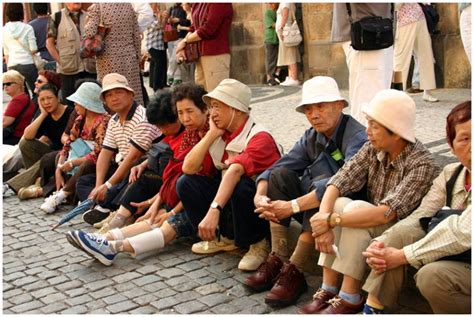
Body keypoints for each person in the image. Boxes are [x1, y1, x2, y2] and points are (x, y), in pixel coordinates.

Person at [299, 89, 438, 314]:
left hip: (399, 231)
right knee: (338, 202)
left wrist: (332, 220)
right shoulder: (373, 147)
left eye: (374, 126)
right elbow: (338, 181)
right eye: (368, 124)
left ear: (395, 132)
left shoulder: (422, 164)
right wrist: (324, 223)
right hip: (372, 222)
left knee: (353, 210)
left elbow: (387, 213)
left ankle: (349, 295)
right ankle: (330, 288)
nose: (367, 131)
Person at [246, 76, 367, 307]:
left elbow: (345, 182)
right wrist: (260, 194)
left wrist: (292, 206)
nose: (314, 114)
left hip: (349, 203)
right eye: (308, 109)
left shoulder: (356, 136)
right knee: (279, 177)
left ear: (340, 105)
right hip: (317, 200)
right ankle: (279, 258)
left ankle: (296, 268)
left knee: (321, 181)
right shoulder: (312, 135)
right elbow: (282, 165)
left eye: (320, 106)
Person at [66, 85, 214, 266]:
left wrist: (169, 208)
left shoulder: (205, 133)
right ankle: (106, 237)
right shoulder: (192, 132)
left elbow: (193, 177)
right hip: (177, 192)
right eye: (181, 113)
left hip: (198, 198)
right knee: (154, 214)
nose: (185, 118)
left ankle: (112, 245)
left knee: (167, 221)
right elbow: (176, 172)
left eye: (189, 111)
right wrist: (157, 201)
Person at [362, 101, 471, 314]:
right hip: (460, 258)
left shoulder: (421, 162)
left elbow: (462, 232)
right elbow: (423, 213)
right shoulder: (452, 173)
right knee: (403, 231)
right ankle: (374, 307)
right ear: (451, 145)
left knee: (431, 276)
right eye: (465, 139)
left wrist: (402, 255)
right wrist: (381, 244)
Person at [176, 79, 281, 271]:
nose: (212, 113)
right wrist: (211, 135)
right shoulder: (221, 133)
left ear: (237, 110)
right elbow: (188, 168)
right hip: (232, 200)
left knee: (239, 184)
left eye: (217, 107)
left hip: (260, 203)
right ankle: (225, 238)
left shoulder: (259, 136)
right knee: (186, 183)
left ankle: (258, 244)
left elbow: (235, 170)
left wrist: (214, 210)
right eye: (211, 107)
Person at [75, 73, 161, 225]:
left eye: (119, 92)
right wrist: (99, 185)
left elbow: (132, 158)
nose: (114, 98)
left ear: (130, 94)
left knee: (130, 176)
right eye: (109, 95)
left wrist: (107, 186)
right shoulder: (114, 120)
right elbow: (105, 153)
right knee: (83, 181)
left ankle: (107, 206)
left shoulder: (142, 118)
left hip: (143, 168)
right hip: (122, 167)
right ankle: (104, 205)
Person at [39, 82, 110, 213]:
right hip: (80, 154)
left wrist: (72, 163)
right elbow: (68, 143)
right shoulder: (80, 119)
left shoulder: (103, 122)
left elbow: (98, 153)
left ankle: (62, 194)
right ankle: (63, 192)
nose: (75, 106)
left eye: (78, 103)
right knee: (57, 159)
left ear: (87, 104)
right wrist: (59, 168)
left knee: (86, 164)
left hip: (97, 160)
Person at [6, 84, 74, 199]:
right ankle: (35, 179)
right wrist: (42, 114)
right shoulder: (46, 115)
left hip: (67, 153)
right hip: (52, 153)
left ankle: (10, 186)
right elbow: (27, 136)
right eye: (42, 99)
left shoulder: (70, 112)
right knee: (25, 144)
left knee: (47, 157)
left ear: (57, 98)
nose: (46, 102)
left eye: (49, 98)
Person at [331, 3, 393, 126]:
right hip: (370, 33)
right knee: (372, 95)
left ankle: (366, 140)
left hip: (366, 34)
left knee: (366, 100)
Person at [84, 3, 144, 106]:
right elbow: (136, 37)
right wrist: (137, 58)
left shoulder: (98, 7)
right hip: (130, 58)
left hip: (108, 60)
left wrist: (87, 21)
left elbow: (90, 32)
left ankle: (114, 120)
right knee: (131, 93)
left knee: (112, 94)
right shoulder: (128, 6)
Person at [176, 3, 233, 92]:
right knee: (201, 97)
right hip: (200, 56)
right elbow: (193, 27)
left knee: (216, 95)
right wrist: (183, 45)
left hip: (215, 54)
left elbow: (208, 29)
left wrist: (185, 41)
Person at [46, 3, 95, 108]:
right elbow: (49, 44)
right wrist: (61, 62)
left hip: (89, 68)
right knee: (71, 105)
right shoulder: (56, 17)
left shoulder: (90, 16)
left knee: (91, 103)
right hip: (69, 71)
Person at [394, 4, 438, 102]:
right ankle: (397, 92)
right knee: (400, 58)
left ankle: (428, 90)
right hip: (405, 21)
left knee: (426, 54)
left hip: (419, 17)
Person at [3, 3, 38, 94]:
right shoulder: (28, 28)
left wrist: (8, 69)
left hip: (12, 64)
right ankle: (35, 108)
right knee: (36, 91)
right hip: (28, 63)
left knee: (20, 95)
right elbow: (33, 49)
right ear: (21, 12)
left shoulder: (3, 30)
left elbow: (6, 52)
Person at [3, 70, 36, 145]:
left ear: (19, 84)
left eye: (8, 84)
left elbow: (5, 123)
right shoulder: (24, 97)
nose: (5, 86)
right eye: (3, 84)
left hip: (15, 137)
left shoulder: (18, 100)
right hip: (20, 136)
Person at [276, 3, 300, 86]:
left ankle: (294, 77)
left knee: (290, 54)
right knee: (288, 54)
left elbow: (285, 14)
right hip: (286, 31)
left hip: (286, 31)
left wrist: (281, 28)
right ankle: (290, 77)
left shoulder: (285, 2)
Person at [145, 4, 168, 92]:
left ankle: (156, 84)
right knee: (158, 66)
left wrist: (163, 17)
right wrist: (163, 18)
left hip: (159, 45)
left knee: (155, 64)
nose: (157, 5)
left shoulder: (156, 15)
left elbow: (162, 27)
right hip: (153, 45)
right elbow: (159, 26)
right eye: (154, 4)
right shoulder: (148, 16)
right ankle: (156, 87)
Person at [163, 3, 187, 86]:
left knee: (174, 57)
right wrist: (170, 20)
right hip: (171, 35)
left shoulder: (184, 7)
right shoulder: (171, 8)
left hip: (181, 36)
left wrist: (179, 20)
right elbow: (167, 22)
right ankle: (177, 77)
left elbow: (190, 22)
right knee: (172, 57)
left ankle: (169, 74)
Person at [29, 3, 55, 70]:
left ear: (35, 10)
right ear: (47, 8)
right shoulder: (54, 21)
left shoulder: (30, 26)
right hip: (56, 54)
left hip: (40, 58)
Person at [264, 3, 281, 86]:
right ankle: (269, 78)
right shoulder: (268, 13)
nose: (270, 4)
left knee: (279, 58)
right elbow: (272, 25)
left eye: (272, 2)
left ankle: (276, 76)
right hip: (270, 39)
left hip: (279, 39)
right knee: (270, 59)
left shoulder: (279, 11)